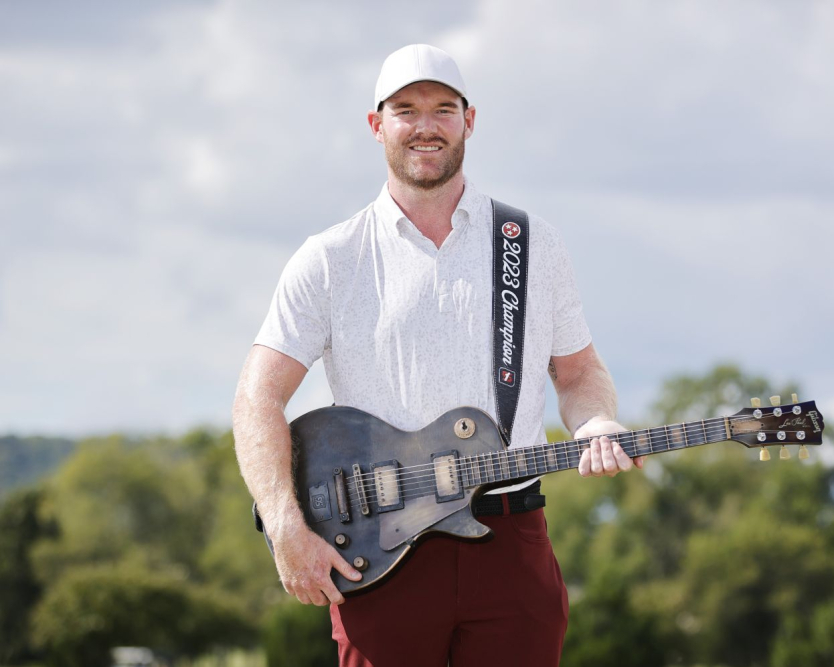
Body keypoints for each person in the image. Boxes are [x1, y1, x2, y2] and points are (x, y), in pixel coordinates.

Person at [232, 43, 644, 667]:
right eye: (405, 110)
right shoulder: (331, 257)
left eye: (442, 109)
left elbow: (580, 372)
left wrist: (597, 423)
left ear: (468, 121)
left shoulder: (530, 244)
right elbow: (257, 396)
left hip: (510, 539)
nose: (425, 125)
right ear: (377, 126)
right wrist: (285, 526)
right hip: (380, 556)